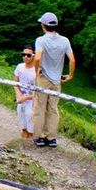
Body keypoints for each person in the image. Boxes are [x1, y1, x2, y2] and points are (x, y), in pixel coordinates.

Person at [32, 12, 76, 148]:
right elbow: (72, 59)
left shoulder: (41, 40)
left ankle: (39, 137)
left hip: (43, 78)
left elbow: (37, 57)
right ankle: (51, 138)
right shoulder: (65, 40)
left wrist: (36, 70)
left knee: (39, 107)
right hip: (57, 80)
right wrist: (70, 75)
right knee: (53, 109)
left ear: (43, 26)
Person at [13, 46, 37, 139]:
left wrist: (25, 98)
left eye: (28, 55)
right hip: (21, 97)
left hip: (32, 100)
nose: (25, 57)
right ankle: (24, 140)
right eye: (23, 54)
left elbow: (39, 91)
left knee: (30, 120)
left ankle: (30, 141)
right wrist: (19, 95)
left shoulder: (36, 70)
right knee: (21, 119)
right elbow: (15, 83)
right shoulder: (19, 66)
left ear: (33, 56)